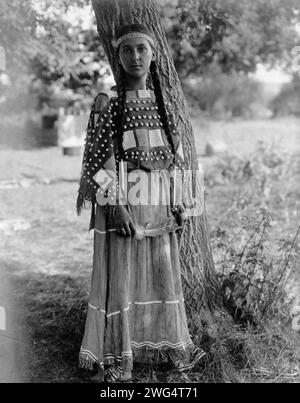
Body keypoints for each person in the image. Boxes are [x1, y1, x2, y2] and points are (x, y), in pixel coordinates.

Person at [76, 23, 205, 382]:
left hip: (159, 205)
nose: (135, 56)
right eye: (127, 50)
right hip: (124, 204)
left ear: (153, 54)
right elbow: (96, 165)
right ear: (118, 57)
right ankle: (120, 358)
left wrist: (182, 205)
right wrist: (116, 208)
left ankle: (163, 348)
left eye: (142, 49)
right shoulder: (108, 102)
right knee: (122, 278)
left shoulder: (165, 106)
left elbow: (178, 160)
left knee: (161, 274)